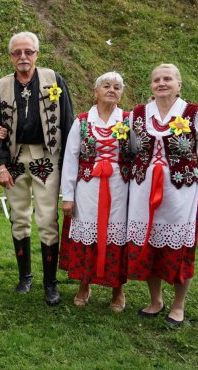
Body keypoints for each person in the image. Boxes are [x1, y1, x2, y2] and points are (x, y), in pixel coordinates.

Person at [0, 31, 74, 306]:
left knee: (47, 219)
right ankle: (25, 277)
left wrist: (69, 164)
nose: (23, 57)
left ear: (37, 53)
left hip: (46, 156)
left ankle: (50, 283)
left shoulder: (53, 79)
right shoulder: (2, 85)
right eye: (17, 52)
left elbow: (68, 121)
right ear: (11, 56)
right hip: (14, 157)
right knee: (19, 218)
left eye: (28, 52)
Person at [127, 63, 198, 327]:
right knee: (150, 243)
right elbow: (133, 147)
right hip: (143, 190)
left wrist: (186, 178)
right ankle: (155, 300)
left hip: (180, 191)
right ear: (151, 85)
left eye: (168, 79)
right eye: (156, 80)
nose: (162, 83)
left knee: (181, 247)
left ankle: (178, 305)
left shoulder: (195, 114)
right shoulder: (138, 114)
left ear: (179, 84)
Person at [59, 72, 131, 312]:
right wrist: (67, 196)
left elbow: (137, 153)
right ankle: (84, 284)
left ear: (121, 94)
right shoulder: (81, 121)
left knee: (116, 235)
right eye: (106, 86)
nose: (112, 89)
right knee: (87, 231)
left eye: (117, 87)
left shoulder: (129, 121)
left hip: (119, 188)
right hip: (88, 187)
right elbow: (70, 159)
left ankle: (117, 290)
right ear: (95, 92)